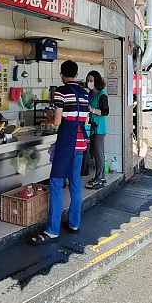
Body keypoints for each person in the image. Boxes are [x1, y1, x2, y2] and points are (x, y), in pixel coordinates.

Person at [28, 60, 90, 245]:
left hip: (66, 142)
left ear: (62, 74)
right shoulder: (85, 94)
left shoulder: (61, 92)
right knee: (75, 182)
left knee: (55, 183)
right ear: (77, 74)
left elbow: (56, 122)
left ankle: (53, 230)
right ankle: (74, 223)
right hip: (80, 142)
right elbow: (85, 121)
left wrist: (48, 115)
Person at [85, 70, 109, 189]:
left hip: (99, 128)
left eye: (91, 80)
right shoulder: (91, 94)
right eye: (88, 80)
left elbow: (105, 112)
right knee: (96, 153)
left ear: (97, 81)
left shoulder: (102, 95)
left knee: (98, 154)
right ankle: (100, 177)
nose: (89, 82)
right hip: (92, 127)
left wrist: (92, 110)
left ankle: (99, 179)